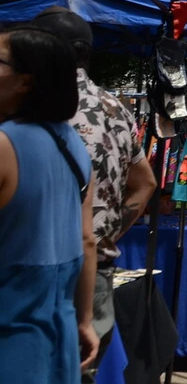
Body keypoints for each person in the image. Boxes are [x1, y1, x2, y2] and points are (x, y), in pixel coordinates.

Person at [32, 8, 157, 382]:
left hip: (39, 270)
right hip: (95, 272)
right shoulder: (116, 108)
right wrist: (106, 234)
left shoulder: (39, 107)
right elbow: (146, 182)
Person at [0, 26, 99, 382]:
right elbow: (87, 241)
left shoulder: (5, 145)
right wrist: (85, 320)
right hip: (58, 340)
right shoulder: (73, 143)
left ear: (25, 81)